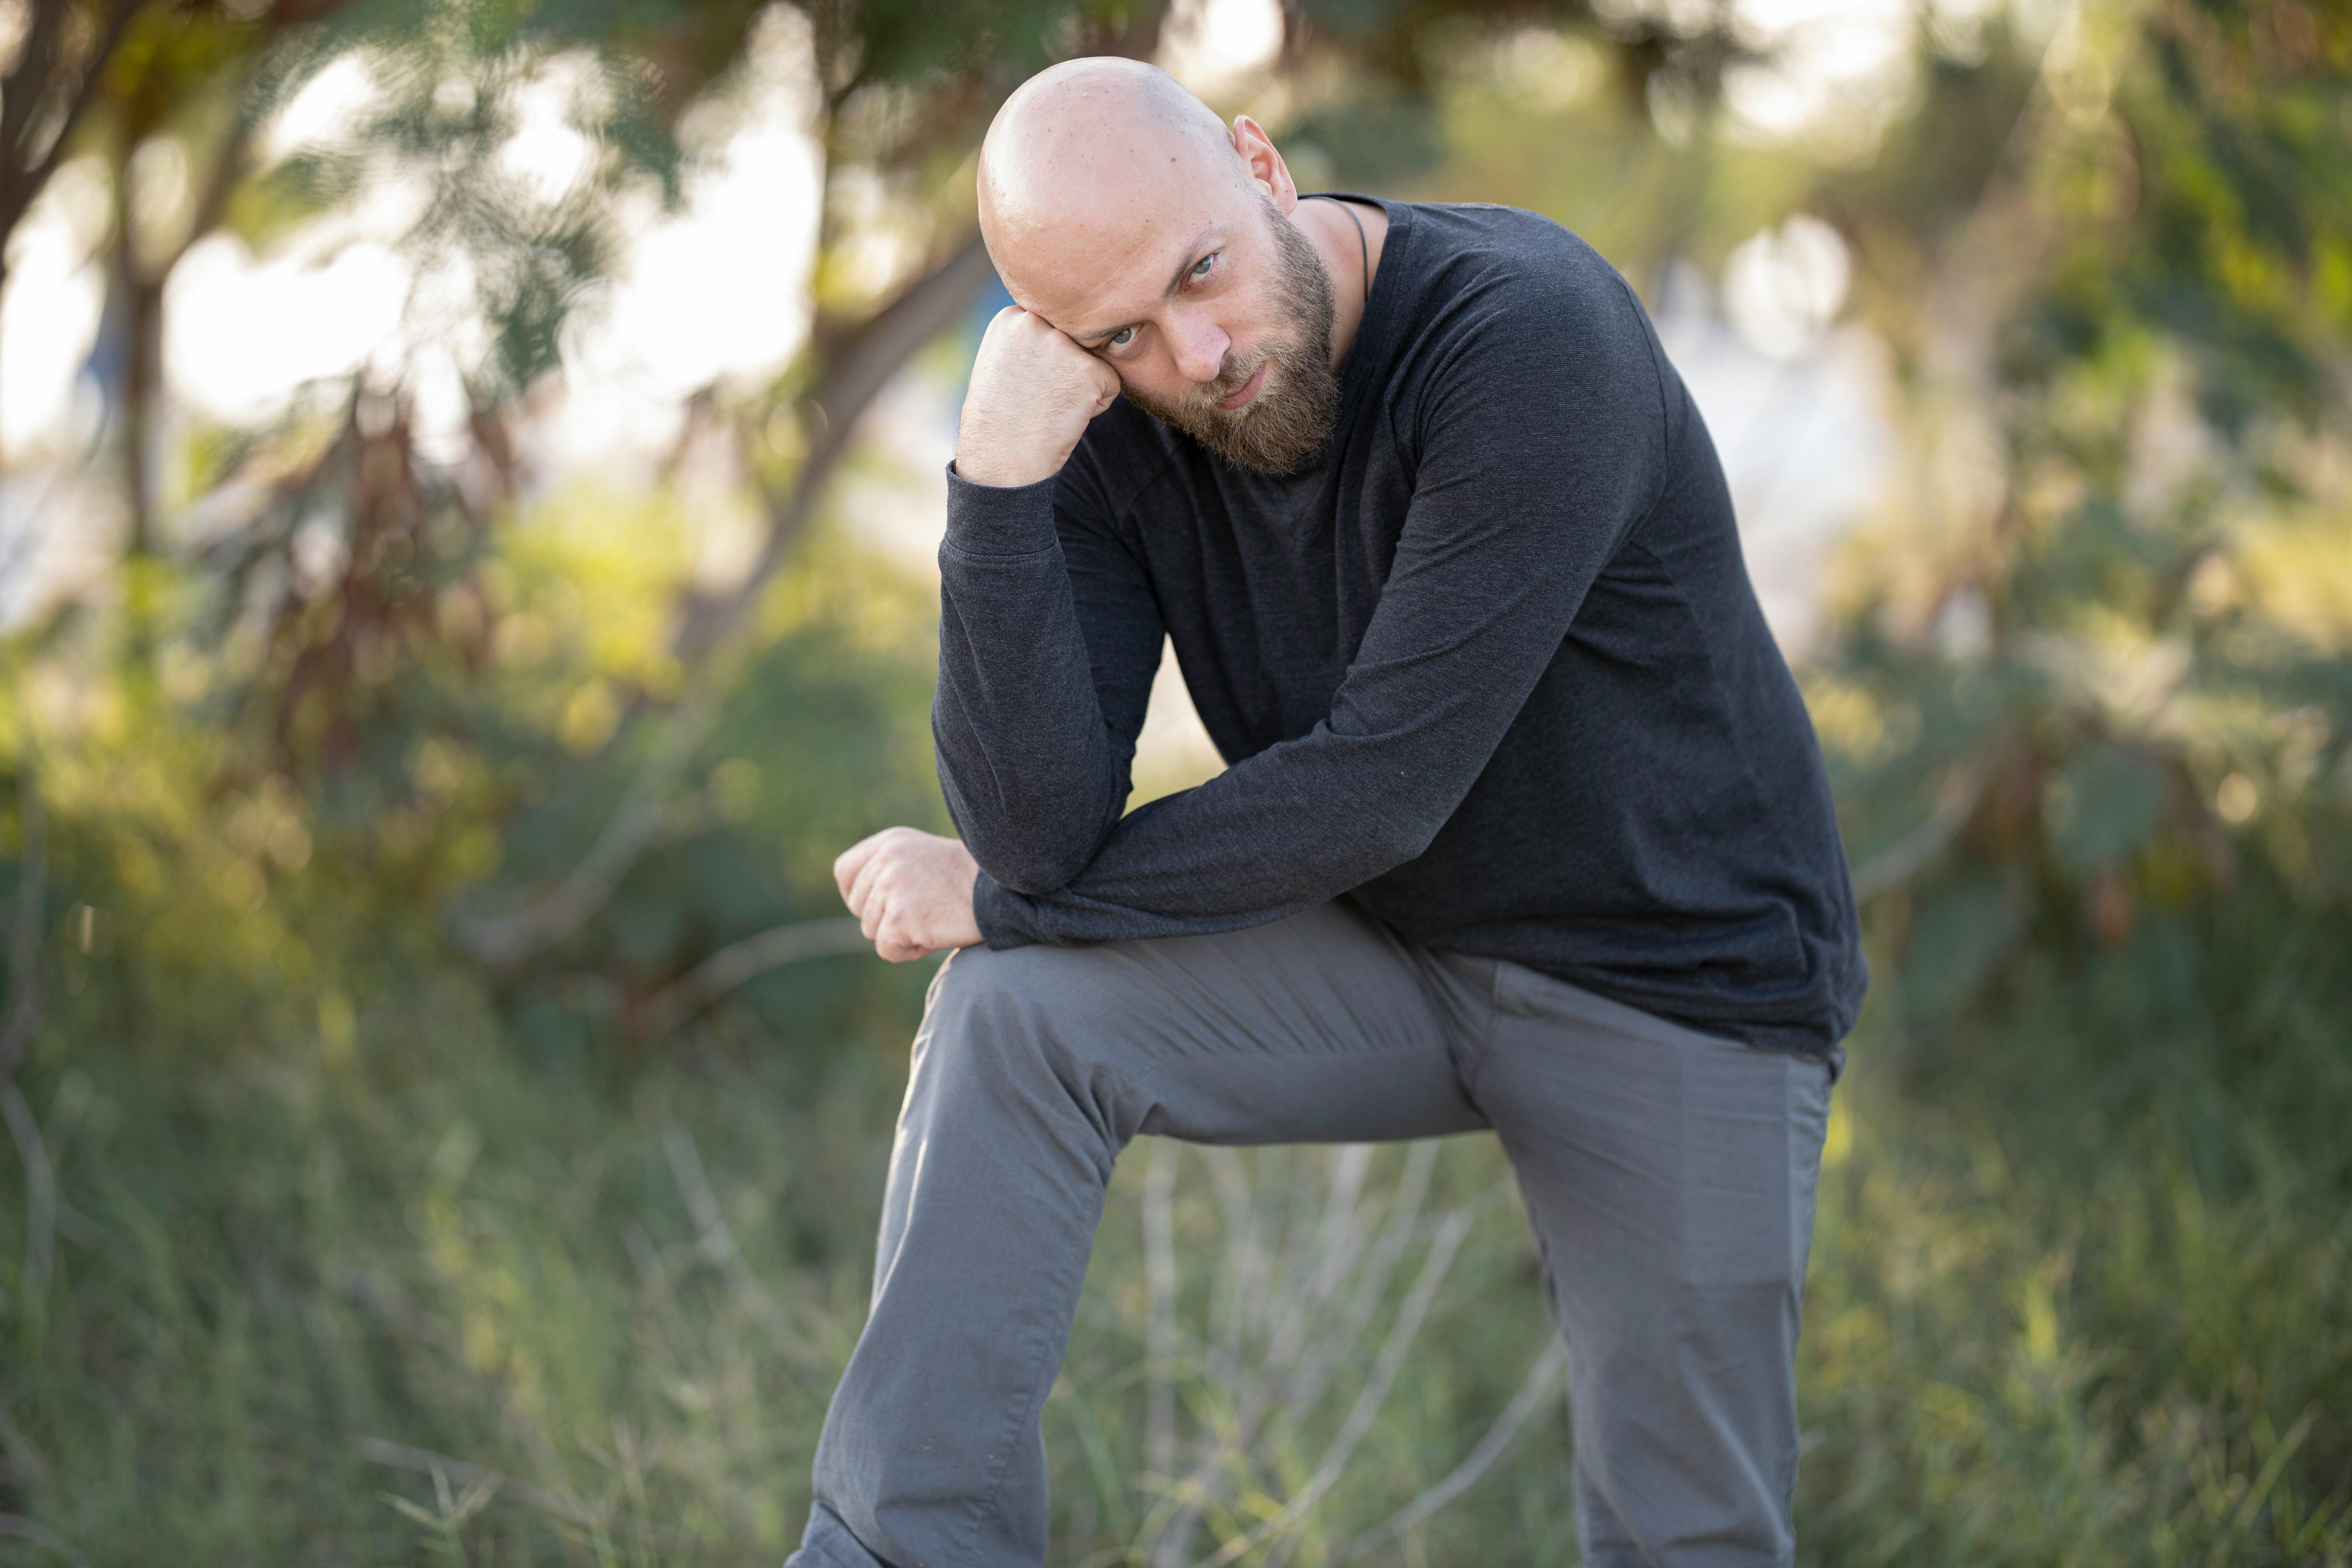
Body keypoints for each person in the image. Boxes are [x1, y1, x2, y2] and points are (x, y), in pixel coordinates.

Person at [794, 55, 1866, 1568]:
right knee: (1014, 1013)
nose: (1200, 348)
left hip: (1672, 977)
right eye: (1122, 335)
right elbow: (1037, 832)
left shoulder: (1523, 336)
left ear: (1260, 163)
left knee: (1682, 1532)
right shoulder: (1109, 415)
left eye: (1202, 271)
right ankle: (893, 1554)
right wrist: (997, 483)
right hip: (1393, 954)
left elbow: (1377, 789)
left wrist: (1002, 895)